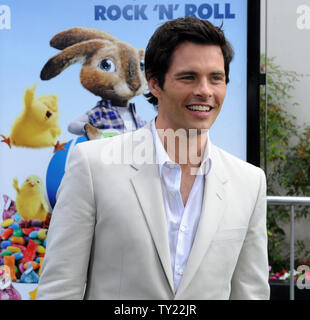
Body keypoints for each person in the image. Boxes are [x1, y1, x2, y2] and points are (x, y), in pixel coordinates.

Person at [36, 17, 270, 300]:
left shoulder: (248, 182)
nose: (206, 91)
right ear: (155, 84)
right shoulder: (92, 166)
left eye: (216, 78)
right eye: (189, 77)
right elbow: (60, 288)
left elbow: (251, 293)